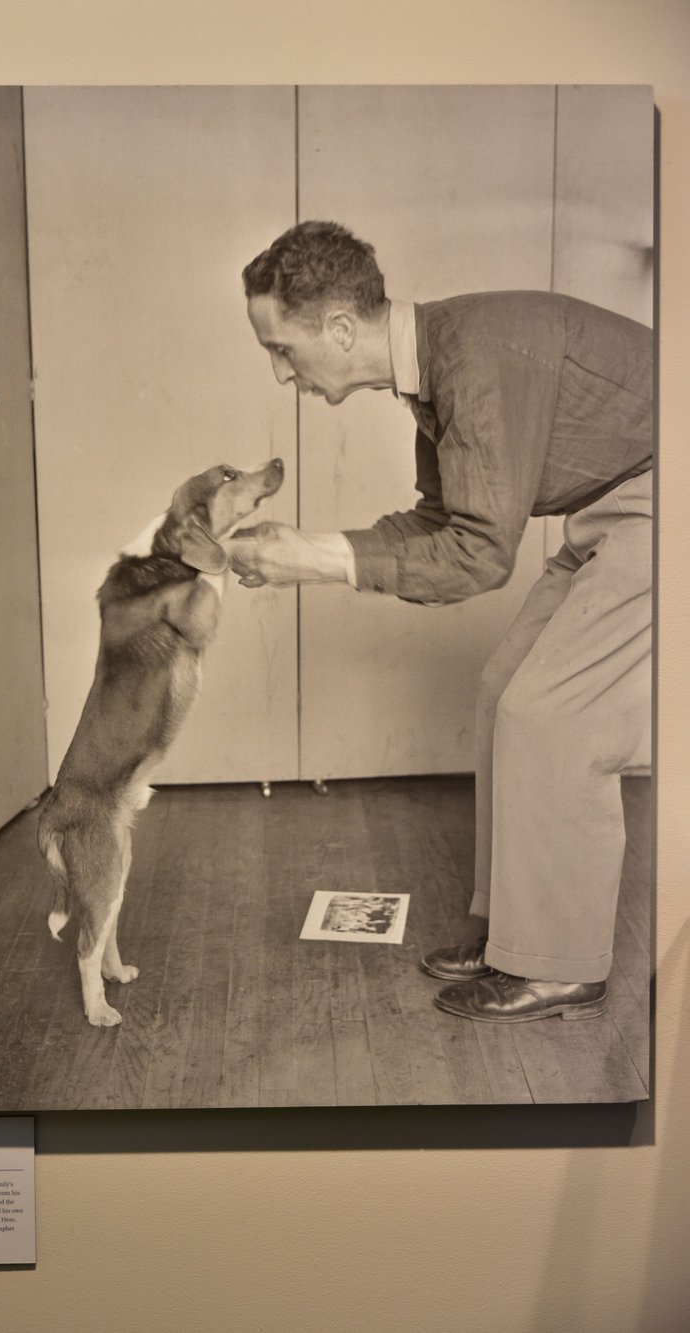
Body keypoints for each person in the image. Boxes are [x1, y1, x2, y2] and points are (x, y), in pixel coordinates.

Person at [229, 220, 652, 1024]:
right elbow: (442, 519)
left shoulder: (473, 361)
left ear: (340, 329)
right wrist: (309, 550)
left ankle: (558, 965)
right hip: (620, 500)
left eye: (282, 349)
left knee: (552, 715)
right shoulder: (433, 367)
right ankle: (515, 932)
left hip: (666, 493)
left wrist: (313, 560)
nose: (282, 372)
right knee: (503, 690)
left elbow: (480, 556)